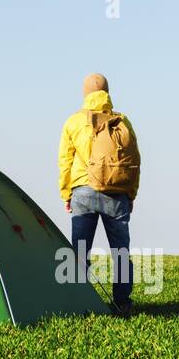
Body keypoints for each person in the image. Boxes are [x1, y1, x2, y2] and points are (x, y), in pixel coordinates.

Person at [58, 73, 140, 315]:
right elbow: (134, 159)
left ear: (85, 94)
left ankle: (78, 303)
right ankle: (122, 303)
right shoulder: (121, 120)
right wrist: (130, 194)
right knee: (121, 252)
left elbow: (64, 162)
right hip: (117, 194)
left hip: (83, 192)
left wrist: (66, 193)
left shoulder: (73, 122)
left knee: (79, 252)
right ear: (107, 92)